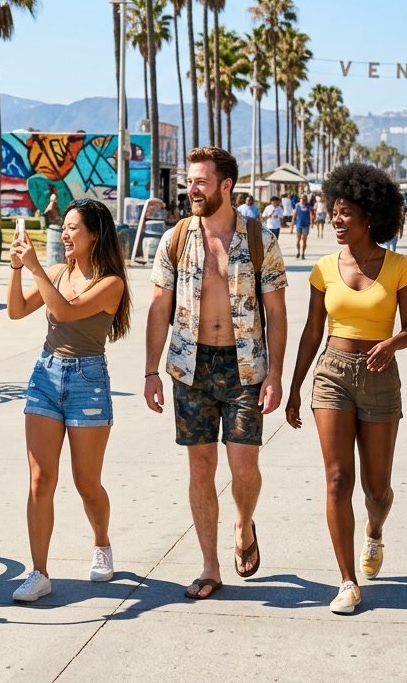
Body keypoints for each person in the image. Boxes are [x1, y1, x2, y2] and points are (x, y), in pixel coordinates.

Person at [145, 146, 288, 600]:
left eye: (201, 181)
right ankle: (210, 566)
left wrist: (276, 374)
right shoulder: (176, 238)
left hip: (245, 367)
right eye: (191, 181)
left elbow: (277, 314)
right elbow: (158, 306)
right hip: (190, 366)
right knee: (201, 464)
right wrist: (151, 370)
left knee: (244, 467)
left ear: (226, 186)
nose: (193, 188)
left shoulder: (261, 239)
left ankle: (243, 523)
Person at [287, 163, 407, 615]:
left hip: (381, 376)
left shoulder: (400, 266)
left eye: (346, 213)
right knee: (337, 478)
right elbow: (310, 332)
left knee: (376, 487)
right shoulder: (324, 269)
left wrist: (394, 341)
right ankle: (346, 580)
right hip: (333, 374)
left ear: (371, 216)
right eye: (334, 211)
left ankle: (375, 531)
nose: (337, 220)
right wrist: (295, 386)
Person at [5, 198, 132, 603]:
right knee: (40, 480)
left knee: (86, 483)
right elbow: (15, 310)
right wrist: (14, 268)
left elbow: (63, 311)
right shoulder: (58, 272)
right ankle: (39, 572)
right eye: (64, 226)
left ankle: (101, 544)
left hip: (87, 381)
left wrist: (36, 268)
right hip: (45, 375)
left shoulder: (111, 283)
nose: (65, 233)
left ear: (94, 234)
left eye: (73, 227)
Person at [293, 195, 312, 260]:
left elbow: (310, 214)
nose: (303, 201)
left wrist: (311, 222)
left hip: (306, 225)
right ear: (300, 199)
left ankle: (303, 253)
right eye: (302, 199)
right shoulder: (297, 205)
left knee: (304, 240)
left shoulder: (308, 206)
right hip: (299, 224)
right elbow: (294, 215)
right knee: (298, 240)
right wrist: (292, 224)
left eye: (305, 199)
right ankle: (298, 252)